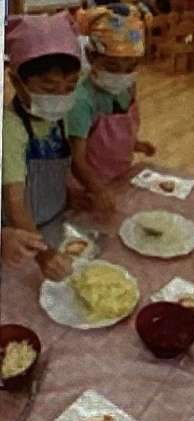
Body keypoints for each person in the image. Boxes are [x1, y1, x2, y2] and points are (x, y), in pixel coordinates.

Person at [3, 13, 82, 280]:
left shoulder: (57, 117)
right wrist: (43, 254)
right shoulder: (10, 128)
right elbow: (14, 204)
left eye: (70, 87)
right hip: (24, 239)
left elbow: (58, 172)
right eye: (49, 89)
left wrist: (69, 196)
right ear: (16, 82)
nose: (61, 98)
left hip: (55, 222)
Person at [66, 4, 155, 213]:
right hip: (87, 187)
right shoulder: (82, 100)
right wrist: (97, 189)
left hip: (119, 178)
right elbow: (77, 160)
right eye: (112, 67)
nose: (121, 75)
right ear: (90, 56)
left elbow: (116, 133)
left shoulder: (127, 87)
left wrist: (135, 144)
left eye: (131, 67)